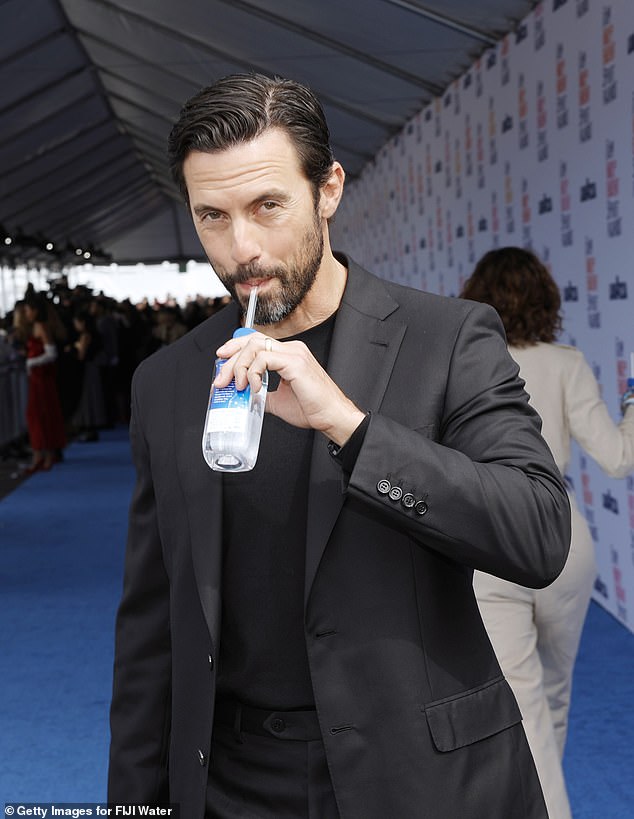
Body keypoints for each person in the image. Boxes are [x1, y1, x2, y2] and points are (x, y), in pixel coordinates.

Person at [108, 74, 571, 819]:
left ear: (328, 189)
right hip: (233, 784)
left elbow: (538, 532)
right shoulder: (167, 382)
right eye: (213, 217)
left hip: (425, 783)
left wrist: (351, 429)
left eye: (267, 206)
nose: (243, 247)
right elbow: (150, 633)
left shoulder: (447, 338)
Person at [460, 246, 634, 819]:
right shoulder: (567, 362)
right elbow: (616, 459)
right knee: (553, 700)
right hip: (564, 538)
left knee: (522, 705)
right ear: (546, 300)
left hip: (489, 539)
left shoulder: (460, 360)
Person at [22, 294, 66, 473]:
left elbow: (51, 353)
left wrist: (31, 362)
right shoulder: (35, 327)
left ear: (34, 311)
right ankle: (39, 454)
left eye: (27, 310)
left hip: (42, 381)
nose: (25, 313)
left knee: (43, 415)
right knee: (36, 416)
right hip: (37, 380)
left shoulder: (42, 326)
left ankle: (46, 455)